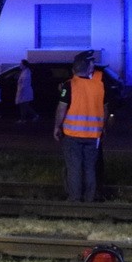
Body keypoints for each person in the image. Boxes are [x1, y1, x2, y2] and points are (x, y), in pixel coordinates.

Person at [53, 53, 106, 202]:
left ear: (74, 69)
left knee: (74, 167)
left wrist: (57, 127)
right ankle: (89, 198)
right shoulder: (100, 86)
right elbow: (104, 108)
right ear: (88, 68)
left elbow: (62, 108)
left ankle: (75, 198)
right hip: (93, 135)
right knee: (90, 168)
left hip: (73, 134)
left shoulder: (70, 85)